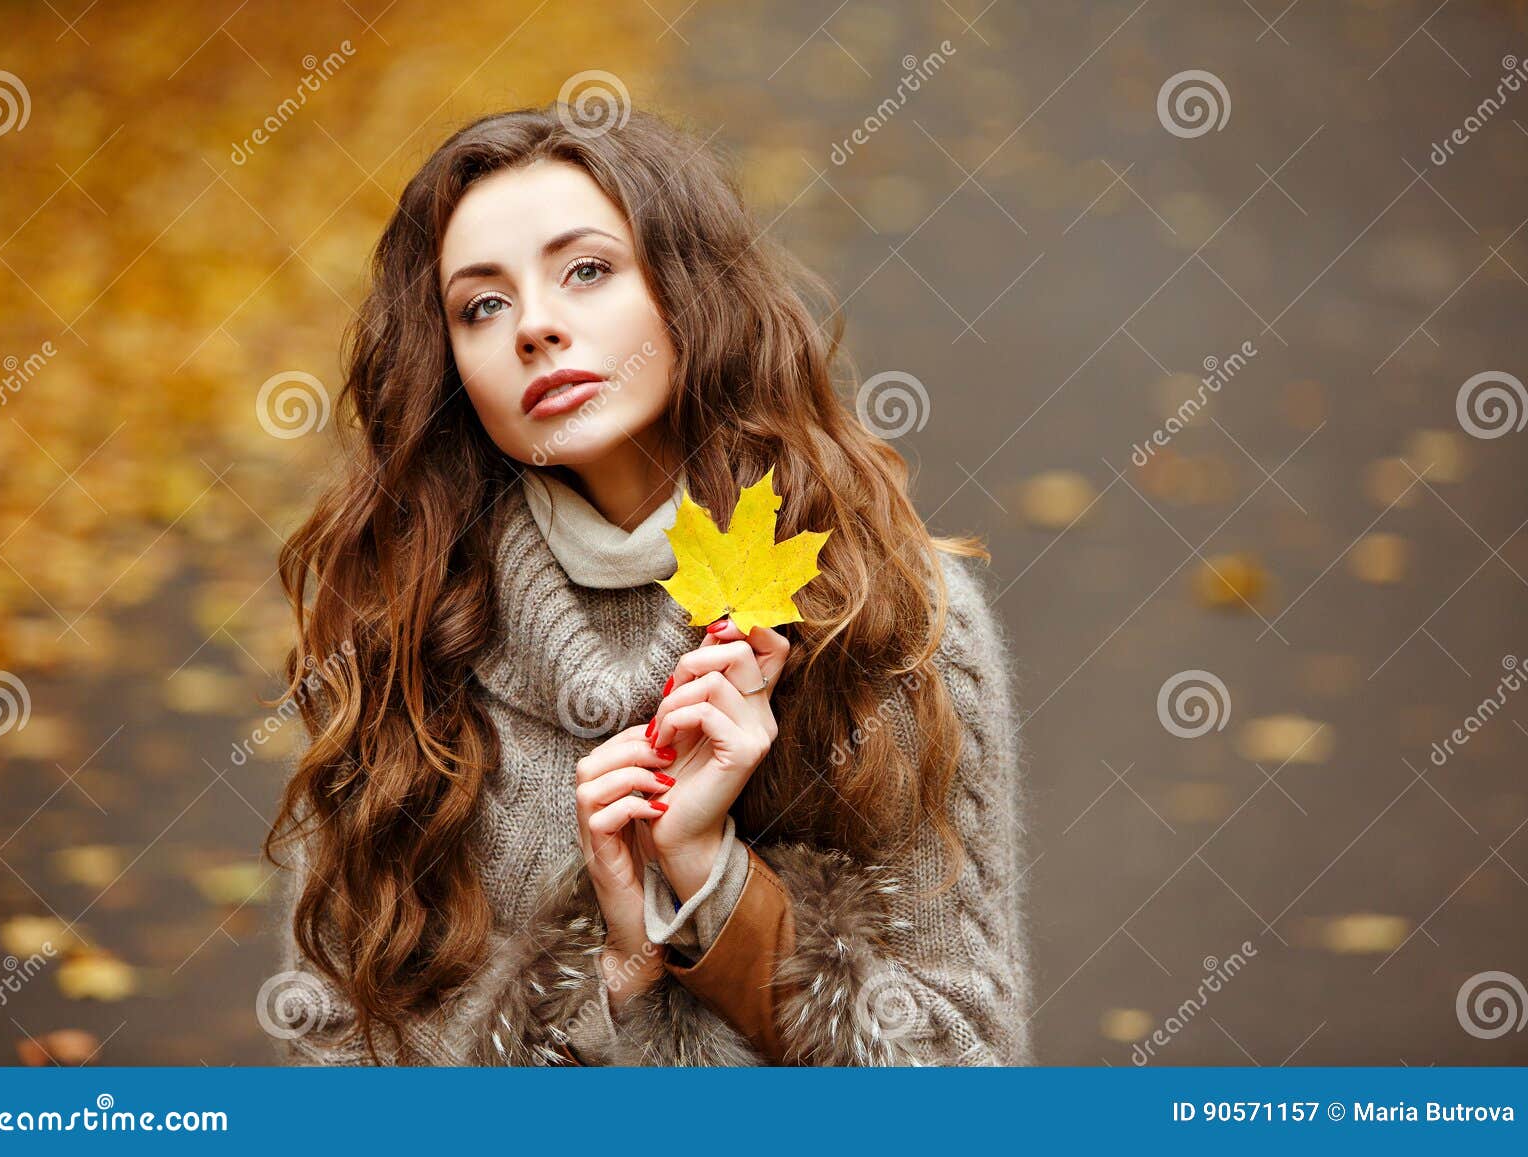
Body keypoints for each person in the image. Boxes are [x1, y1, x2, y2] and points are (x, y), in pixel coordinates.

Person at [260, 103, 1034, 1066]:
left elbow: (967, 1073)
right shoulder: (395, 633)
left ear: (684, 291)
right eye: (481, 306)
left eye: (586, 270)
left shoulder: (888, 611)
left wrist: (714, 886)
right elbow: (337, 1068)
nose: (535, 326)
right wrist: (612, 971)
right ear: (451, 365)